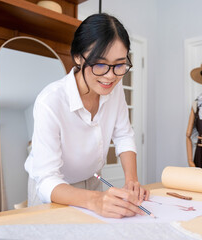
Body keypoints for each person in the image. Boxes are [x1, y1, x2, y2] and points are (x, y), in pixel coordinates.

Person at [25, 13, 149, 219]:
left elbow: (124, 135)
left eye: (119, 65)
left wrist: (132, 181)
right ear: (78, 57)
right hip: (55, 189)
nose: (110, 76)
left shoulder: (113, 90)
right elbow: (46, 180)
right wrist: (95, 200)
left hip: (92, 183)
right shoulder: (51, 101)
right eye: (100, 64)